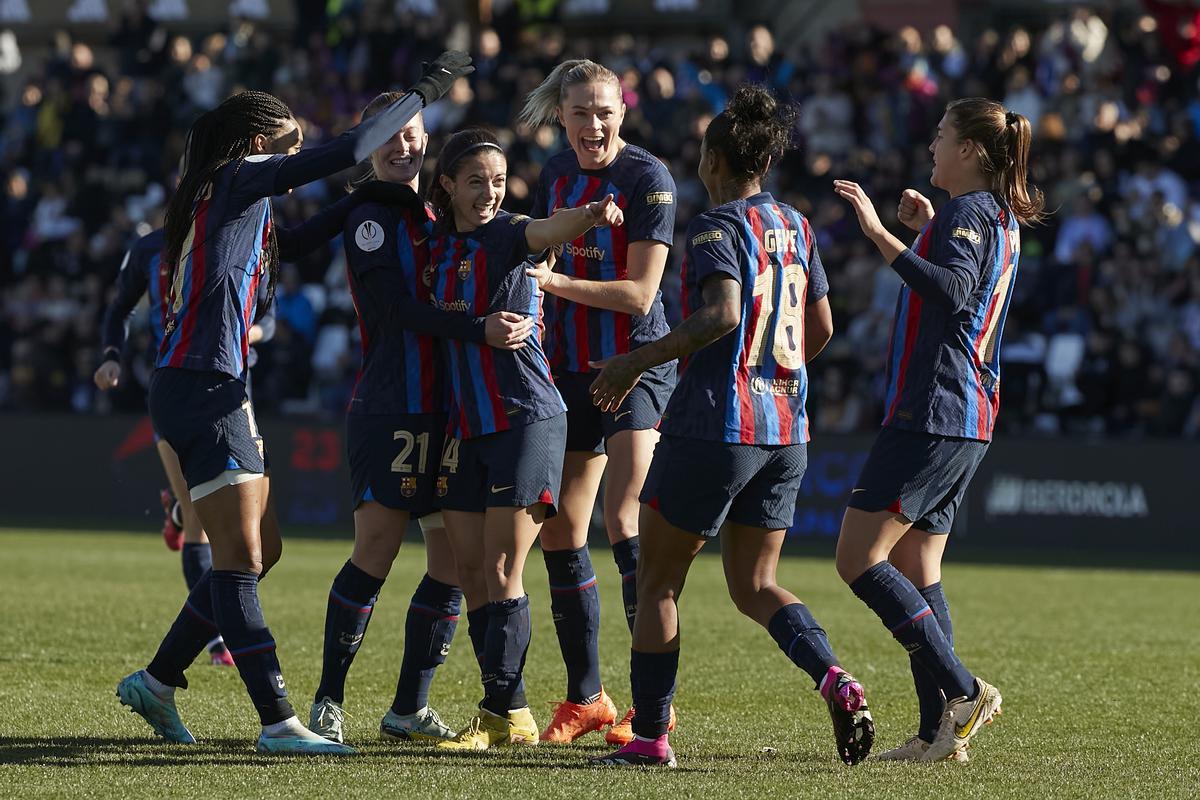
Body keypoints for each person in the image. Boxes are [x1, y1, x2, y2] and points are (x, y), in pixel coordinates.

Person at [114, 52, 474, 756]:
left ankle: (156, 683)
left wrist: (371, 200)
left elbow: (307, 240)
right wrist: (429, 88)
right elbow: (349, 150)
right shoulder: (239, 178)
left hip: (209, 385)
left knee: (259, 552)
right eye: (289, 132)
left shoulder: (238, 203)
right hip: (203, 384)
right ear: (258, 142)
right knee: (242, 561)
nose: (300, 138)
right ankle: (279, 721)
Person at [586, 85, 874, 769]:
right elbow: (823, 326)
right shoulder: (799, 226)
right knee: (754, 584)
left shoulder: (718, 227)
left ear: (714, 159)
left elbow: (719, 314)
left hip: (716, 425)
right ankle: (834, 677)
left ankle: (652, 738)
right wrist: (775, 374)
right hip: (786, 433)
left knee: (656, 581)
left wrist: (633, 362)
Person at [307, 96, 533, 745]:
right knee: (375, 550)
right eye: (388, 137)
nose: (402, 146)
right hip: (392, 406)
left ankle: (408, 707)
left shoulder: (440, 214)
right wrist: (477, 329)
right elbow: (398, 310)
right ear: (368, 146)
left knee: (453, 565)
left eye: (411, 134)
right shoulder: (369, 217)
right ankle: (327, 700)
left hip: (450, 409)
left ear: (427, 139)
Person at [831, 97, 1043, 762]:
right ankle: (936, 734)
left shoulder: (970, 212)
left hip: (935, 410)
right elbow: (965, 285)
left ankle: (963, 690)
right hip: (967, 413)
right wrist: (927, 230)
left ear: (972, 152)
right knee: (916, 563)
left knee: (856, 558)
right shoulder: (991, 216)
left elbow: (950, 292)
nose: (932, 144)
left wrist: (879, 233)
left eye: (943, 134)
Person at [417, 128, 622, 751]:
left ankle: (500, 712)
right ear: (448, 183)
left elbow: (549, 229)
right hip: (466, 424)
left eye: (499, 182)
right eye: (476, 181)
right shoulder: (436, 246)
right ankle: (510, 710)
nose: (489, 193)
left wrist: (588, 216)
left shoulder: (510, 233)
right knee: (472, 571)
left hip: (528, 417)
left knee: (505, 568)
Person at [519, 58, 678, 745]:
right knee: (560, 528)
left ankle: (651, 705)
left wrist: (550, 288)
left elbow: (642, 294)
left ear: (624, 113)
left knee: (624, 516)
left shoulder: (648, 179)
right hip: (568, 368)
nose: (593, 124)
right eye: (580, 112)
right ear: (562, 115)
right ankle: (588, 697)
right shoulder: (557, 173)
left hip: (635, 365)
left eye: (604, 111)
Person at [95, 227, 241, 667]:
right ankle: (217, 643)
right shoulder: (147, 248)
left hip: (230, 389)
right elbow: (119, 308)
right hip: (172, 386)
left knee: (237, 522)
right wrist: (111, 354)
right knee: (201, 518)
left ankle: (177, 509)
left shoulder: (236, 235)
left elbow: (267, 311)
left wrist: (253, 333)